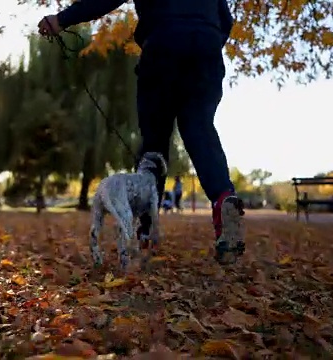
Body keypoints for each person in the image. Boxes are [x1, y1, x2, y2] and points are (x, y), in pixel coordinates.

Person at [38, 0, 245, 264]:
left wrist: (61, 20)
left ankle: (146, 230)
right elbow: (225, 20)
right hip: (207, 49)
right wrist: (207, 40)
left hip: (163, 45)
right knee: (199, 127)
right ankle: (223, 199)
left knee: (155, 139)